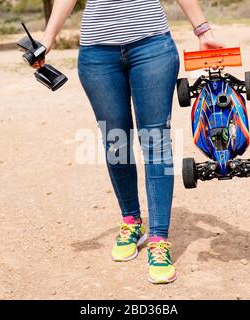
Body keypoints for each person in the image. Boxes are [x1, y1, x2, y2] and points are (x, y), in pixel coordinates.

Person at [35, 0, 224, 284]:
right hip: (97, 55)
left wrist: (202, 30)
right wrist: (49, 36)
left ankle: (159, 239)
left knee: (156, 142)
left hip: (152, 47)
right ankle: (131, 221)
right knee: (116, 142)